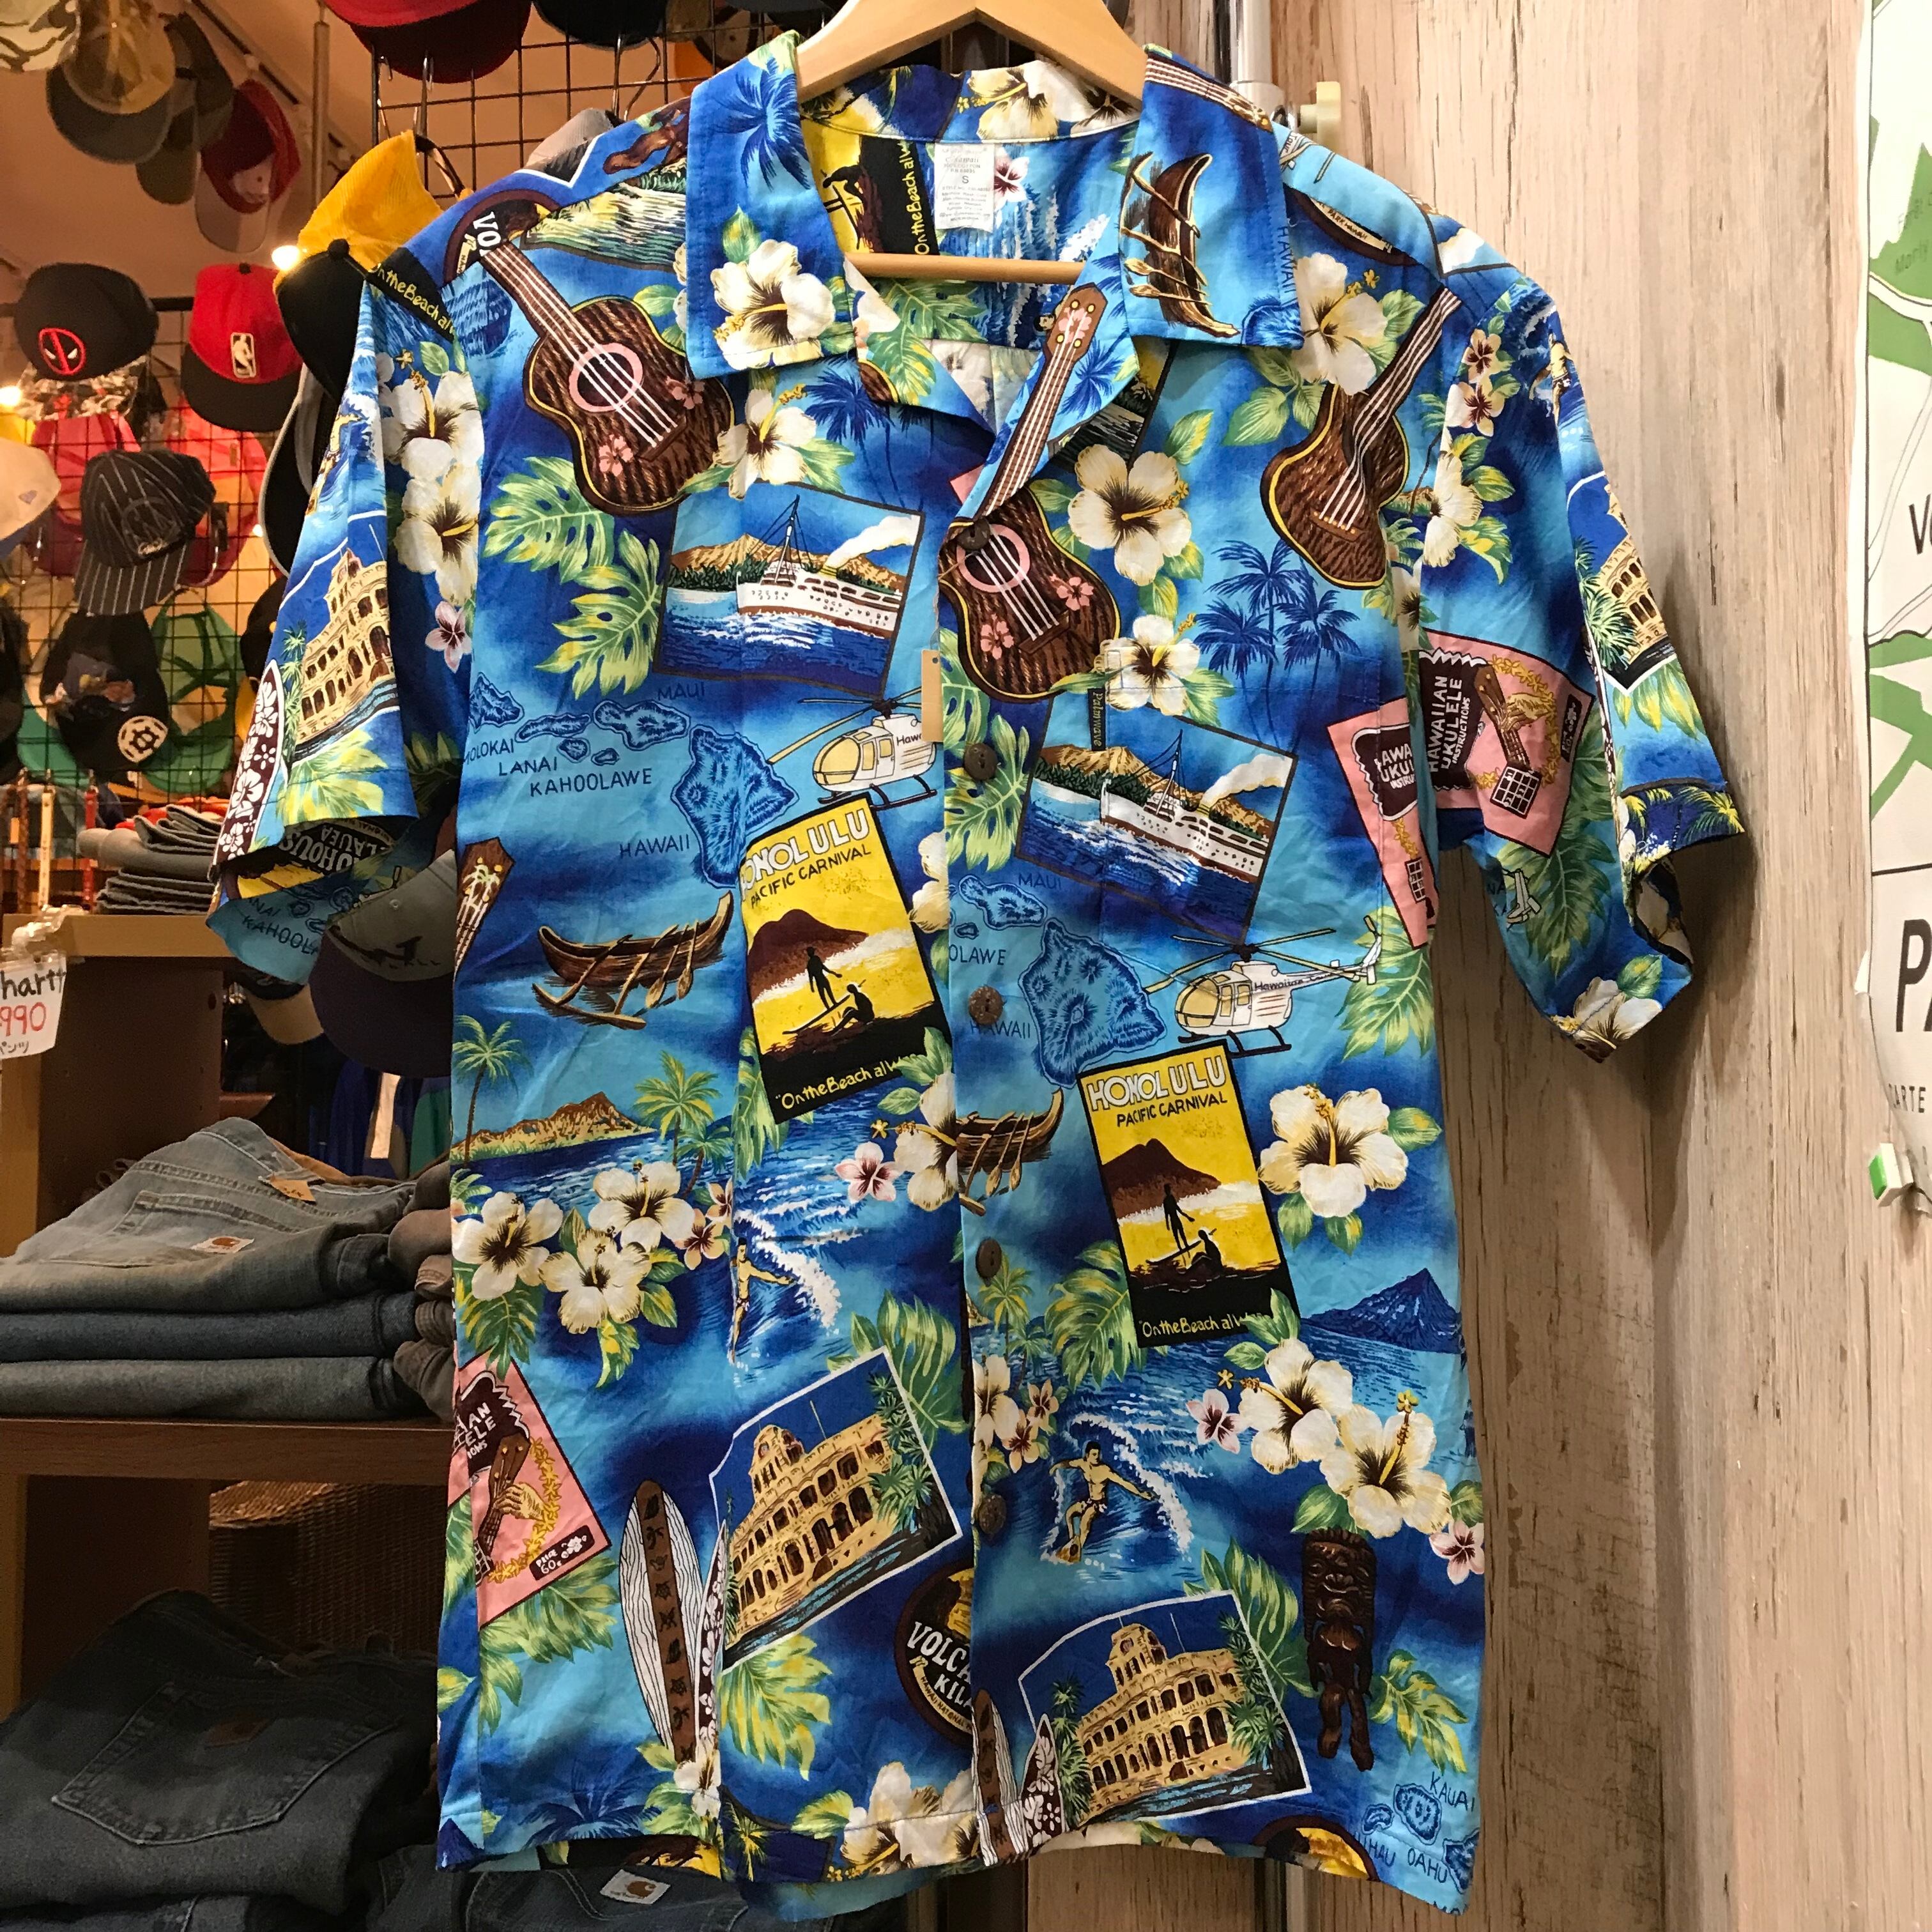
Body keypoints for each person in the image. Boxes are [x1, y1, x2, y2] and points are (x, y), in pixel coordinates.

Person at [1050, 1441, 1154, 1563]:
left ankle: (1078, 1548)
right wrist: (1056, 1466)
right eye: (1094, 1455)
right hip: (1089, 1500)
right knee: (1070, 1513)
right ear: (1087, 1455)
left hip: (1099, 1503)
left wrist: (1141, 1493)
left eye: (1098, 1454)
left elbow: (1123, 1483)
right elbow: (1068, 1463)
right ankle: (1073, 1539)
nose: (1097, 1457)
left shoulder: (1105, 1470)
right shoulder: (1083, 1464)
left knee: (1085, 1521)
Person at [728, 1241, 791, 1363]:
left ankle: (733, 1350)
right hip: (735, 1299)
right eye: (741, 1251)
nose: (743, 1254)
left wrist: (779, 1280)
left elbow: (763, 1274)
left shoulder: (747, 1267)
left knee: (737, 1321)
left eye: (744, 1251)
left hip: (743, 1302)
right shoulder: (735, 1261)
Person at [1160, 1181, 1196, 1257]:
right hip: (1173, 1220)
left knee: (1181, 1233)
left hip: (1176, 1219)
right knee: (1177, 1235)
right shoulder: (1166, 1201)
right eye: (1167, 1190)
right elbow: (1167, 1214)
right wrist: (1167, 1224)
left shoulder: (1170, 1198)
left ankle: (1185, 1245)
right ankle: (1180, 1247)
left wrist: (1188, 1217)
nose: (1168, 1191)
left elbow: (1178, 1210)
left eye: (1169, 1190)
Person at [804, 944, 836, 1010]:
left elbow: (811, 977)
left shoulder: (809, 964)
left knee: (823, 995)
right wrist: (833, 973)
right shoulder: (816, 959)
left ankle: (829, 1007)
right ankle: (834, 1003)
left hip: (819, 981)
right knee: (828, 992)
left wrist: (812, 987)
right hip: (823, 979)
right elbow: (824, 967)